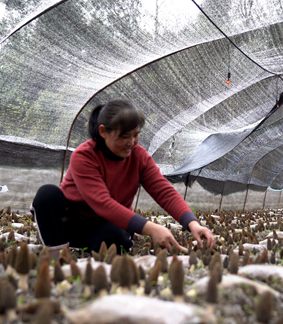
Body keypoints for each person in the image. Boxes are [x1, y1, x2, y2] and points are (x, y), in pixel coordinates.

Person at [31, 99, 215, 258]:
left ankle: (94, 246)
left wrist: (192, 224)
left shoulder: (139, 156)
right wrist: (151, 228)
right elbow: (102, 203)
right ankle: (56, 254)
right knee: (47, 194)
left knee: (116, 242)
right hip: (71, 222)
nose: (132, 142)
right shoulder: (84, 156)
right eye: (124, 137)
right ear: (103, 132)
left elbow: (164, 191)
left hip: (103, 225)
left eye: (136, 135)